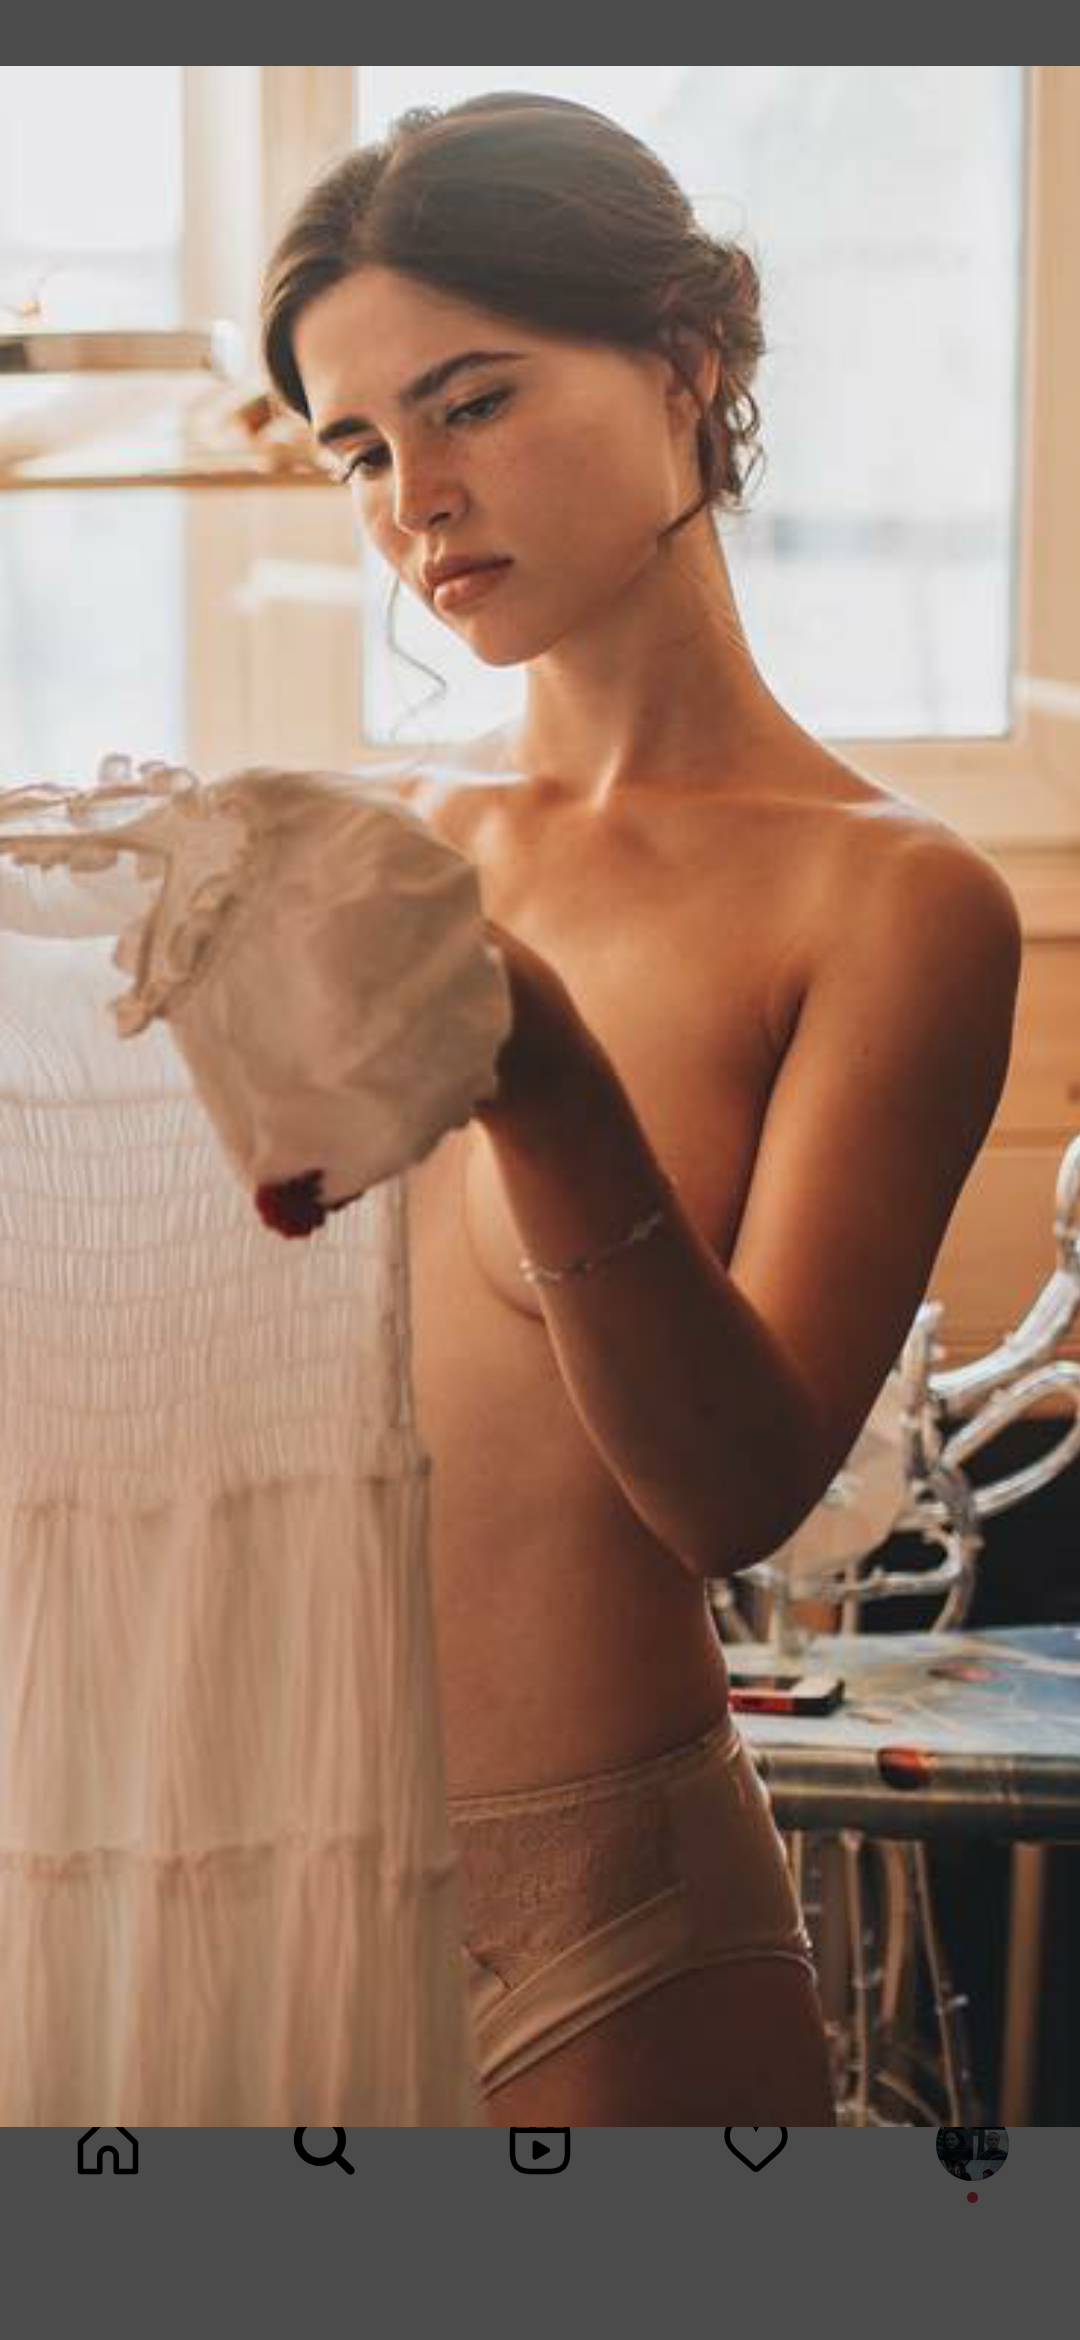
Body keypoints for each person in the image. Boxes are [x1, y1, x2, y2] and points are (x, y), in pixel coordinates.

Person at [259, 92, 1022, 2126]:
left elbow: (732, 1493)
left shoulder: (892, 899)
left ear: (690, 354)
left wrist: (549, 1077)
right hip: (271, 1869)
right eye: (360, 449)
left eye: (473, 401)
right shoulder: (371, 855)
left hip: (607, 1932)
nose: (417, 498)